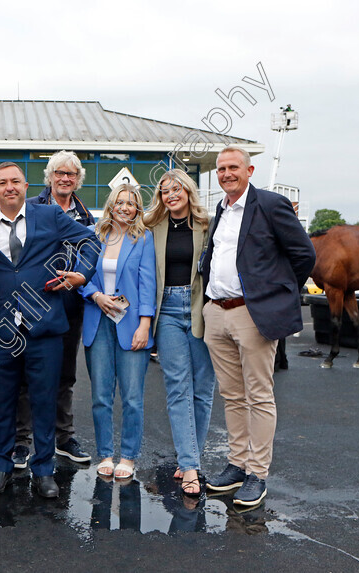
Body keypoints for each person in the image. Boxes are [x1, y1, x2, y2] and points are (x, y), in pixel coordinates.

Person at [0, 162, 99, 499]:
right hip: (3, 333)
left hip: (45, 330)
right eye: (2, 182)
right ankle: (0, 468)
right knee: (4, 403)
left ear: (26, 186)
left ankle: (44, 470)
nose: (10, 187)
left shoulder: (49, 217)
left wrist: (80, 275)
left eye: (15, 181)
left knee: (44, 402)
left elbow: (90, 242)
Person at [201, 146, 315, 507]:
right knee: (232, 395)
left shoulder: (270, 204)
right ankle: (236, 464)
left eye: (233, 167)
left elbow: (304, 254)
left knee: (259, 396)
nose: (226, 173)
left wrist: (275, 296)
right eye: (221, 168)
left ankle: (257, 474)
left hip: (252, 314)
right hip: (217, 312)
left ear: (249, 170)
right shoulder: (219, 209)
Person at [14, 151, 96, 468]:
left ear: (77, 180)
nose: (65, 179)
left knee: (65, 374)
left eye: (71, 174)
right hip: (32, 303)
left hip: (70, 304)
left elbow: (91, 254)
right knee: (24, 374)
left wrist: (81, 279)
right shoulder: (30, 208)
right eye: (60, 173)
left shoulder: (86, 216)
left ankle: (64, 437)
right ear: (49, 176)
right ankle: (22, 441)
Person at [143, 169, 215, 496]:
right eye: (165, 191)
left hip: (201, 308)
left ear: (188, 191)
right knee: (177, 387)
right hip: (168, 308)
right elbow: (113, 235)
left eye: (177, 189)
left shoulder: (207, 225)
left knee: (203, 388)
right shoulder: (151, 227)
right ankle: (189, 465)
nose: (171, 195)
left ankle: (191, 457)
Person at [80, 183, 156, 481]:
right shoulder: (93, 237)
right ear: (111, 205)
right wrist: (95, 295)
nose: (125, 207)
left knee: (132, 397)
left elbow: (148, 283)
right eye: (120, 202)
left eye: (132, 203)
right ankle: (106, 454)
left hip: (132, 324)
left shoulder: (143, 239)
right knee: (101, 396)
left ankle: (128, 456)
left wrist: (145, 324)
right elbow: (80, 275)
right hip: (98, 322)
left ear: (138, 209)